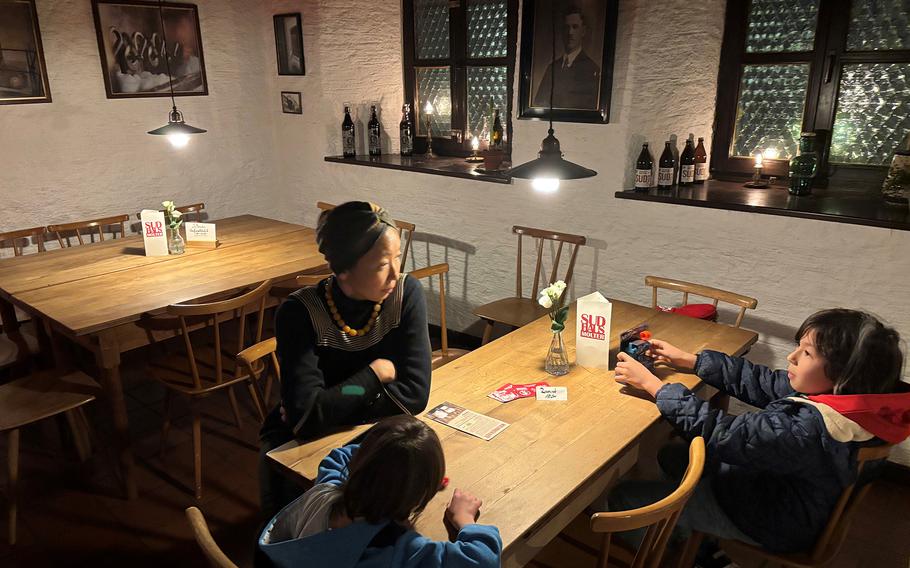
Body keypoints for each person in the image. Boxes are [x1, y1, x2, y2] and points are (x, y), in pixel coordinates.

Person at [610, 308, 910, 557]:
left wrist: (654, 386)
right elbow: (762, 381)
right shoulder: (856, 402)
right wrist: (693, 361)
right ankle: (688, 531)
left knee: (625, 498)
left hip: (767, 516)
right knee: (671, 454)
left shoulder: (813, 428)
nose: (791, 358)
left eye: (806, 353)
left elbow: (723, 434)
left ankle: (682, 557)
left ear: (845, 375)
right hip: (782, 492)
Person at [258, 201, 432, 521]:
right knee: (293, 532)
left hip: (374, 433)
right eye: (382, 264)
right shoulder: (299, 313)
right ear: (344, 268)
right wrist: (374, 375)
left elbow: (416, 395)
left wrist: (333, 402)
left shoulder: (406, 294)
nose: (396, 273)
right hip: (296, 444)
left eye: (397, 257)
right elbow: (303, 419)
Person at [259, 415, 502, 568]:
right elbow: (483, 560)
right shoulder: (399, 550)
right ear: (418, 496)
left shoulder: (324, 491)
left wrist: (387, 459)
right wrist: (465, 519)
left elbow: (338, 457)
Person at [532, 4, 601, 110]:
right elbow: (538, 104)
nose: (570, 32)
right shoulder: (552, 68)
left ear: (583, 31)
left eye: (575, 27)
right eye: (566, 27)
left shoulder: (592, 69)